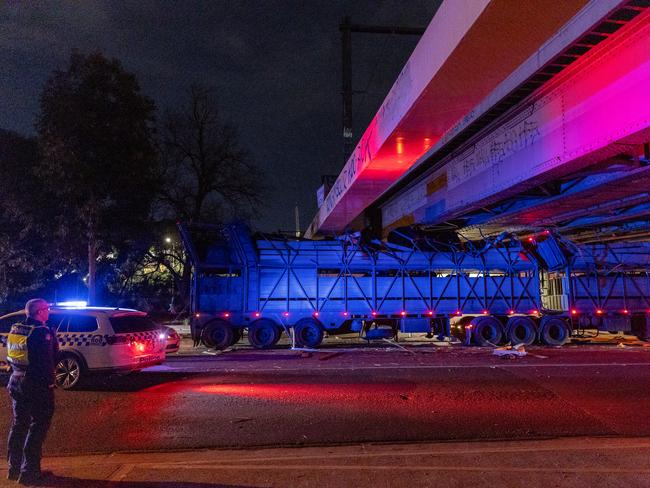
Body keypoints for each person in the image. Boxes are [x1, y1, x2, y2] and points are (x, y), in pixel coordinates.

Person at [6, 298, 58, 486]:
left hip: (16, 381)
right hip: (36, 385)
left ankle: (14, 469)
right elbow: (48, 360)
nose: (49, 311)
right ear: (39, 312)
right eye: (47, 308)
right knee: (38, 426)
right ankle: (29, 472)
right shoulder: (42, 332)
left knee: (19, 425)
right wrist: (50, 384)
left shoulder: (16, 328)